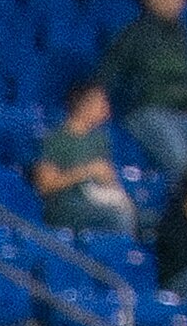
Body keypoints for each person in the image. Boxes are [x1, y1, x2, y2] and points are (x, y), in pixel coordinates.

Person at [96, 0, 187, 183]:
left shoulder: (182, 34)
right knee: (182, 162)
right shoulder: (136, 34)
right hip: (145, 112)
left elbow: (185, 79)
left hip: (182, 114)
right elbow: (107, 74)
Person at [34, 81, 136, 235]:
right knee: (118, 217)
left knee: (146, 217)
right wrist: (86, 171)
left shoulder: (100, 139)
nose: (106, 109)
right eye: (101, 103)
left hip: (97, 199)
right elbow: (45, 186)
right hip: (66, 205)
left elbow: (108, 180)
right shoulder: (56, 139)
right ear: (84, 105)